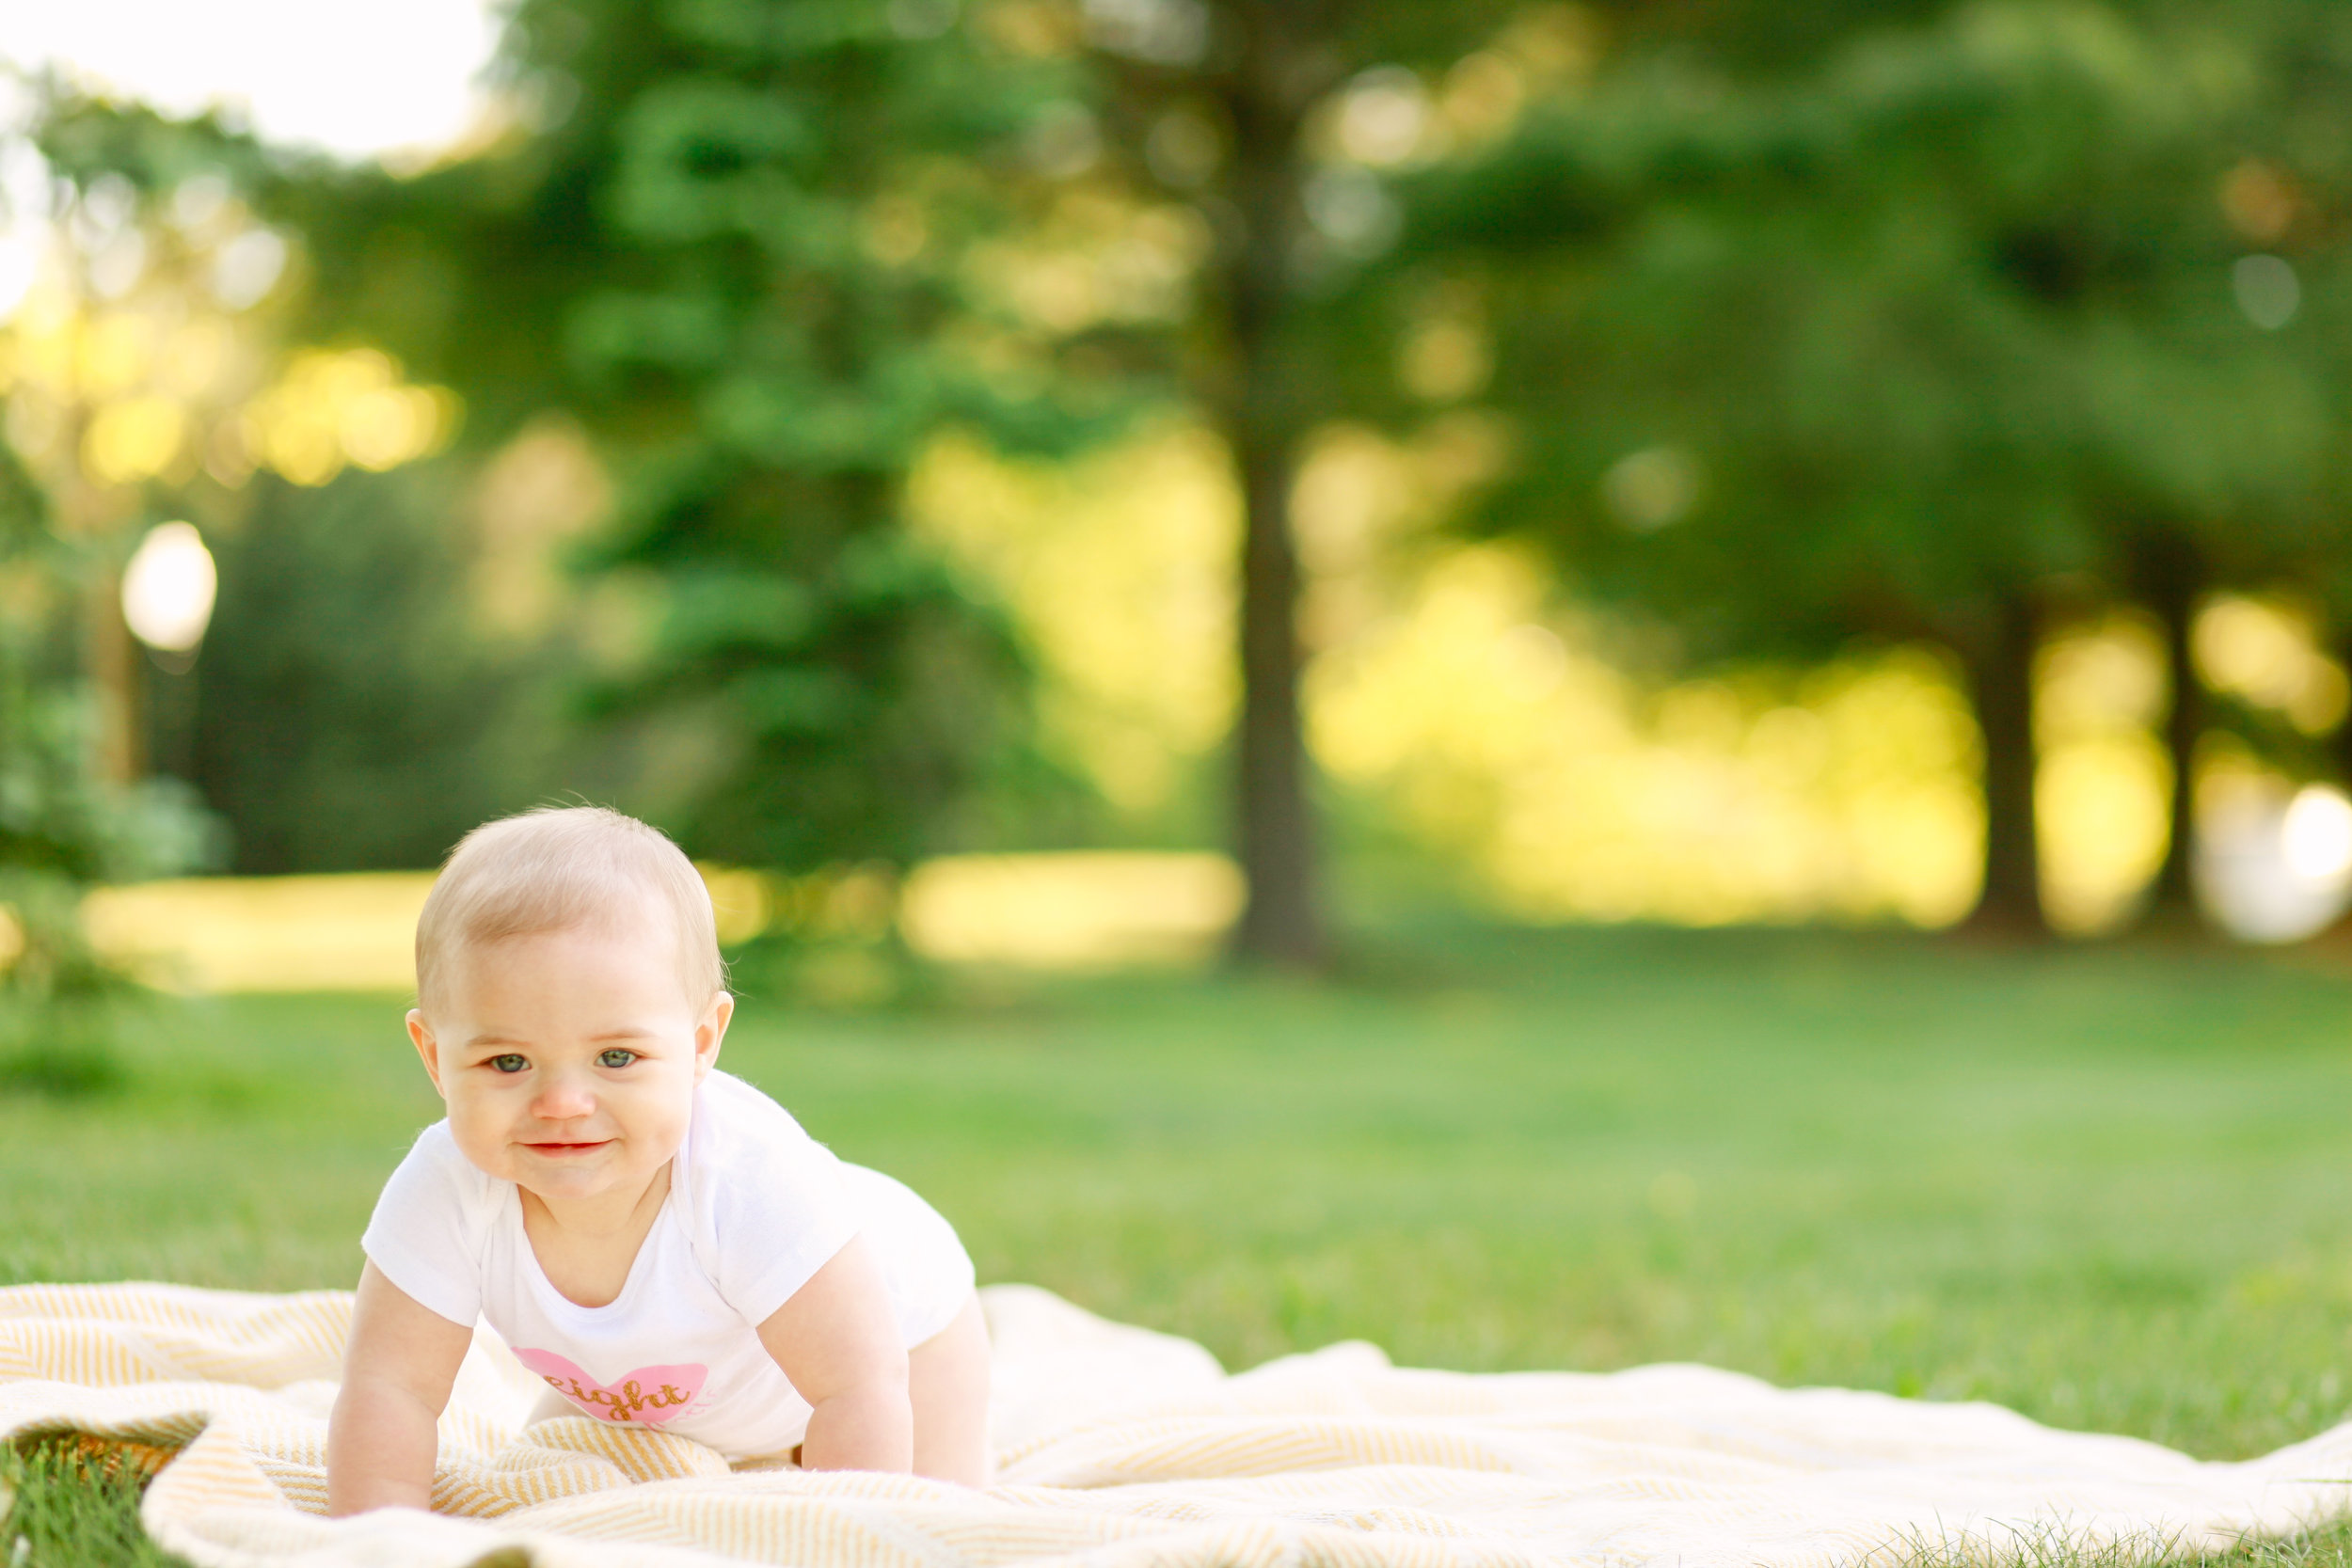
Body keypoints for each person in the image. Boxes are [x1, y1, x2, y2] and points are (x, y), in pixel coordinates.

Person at [326, 806, 989, 1515]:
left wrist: (846, 1532)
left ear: (702, 1041)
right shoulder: (449, 1186)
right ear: (435, 1056)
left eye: (617, 1056)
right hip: (650, 1384)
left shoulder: (748, 1181)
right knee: (554, 1492)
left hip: (901, 1344)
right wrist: (374, 1537)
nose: (563, 1102)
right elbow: (388, 1388)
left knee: (931, 1520)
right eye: (507, 1060)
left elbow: (858, 1385)